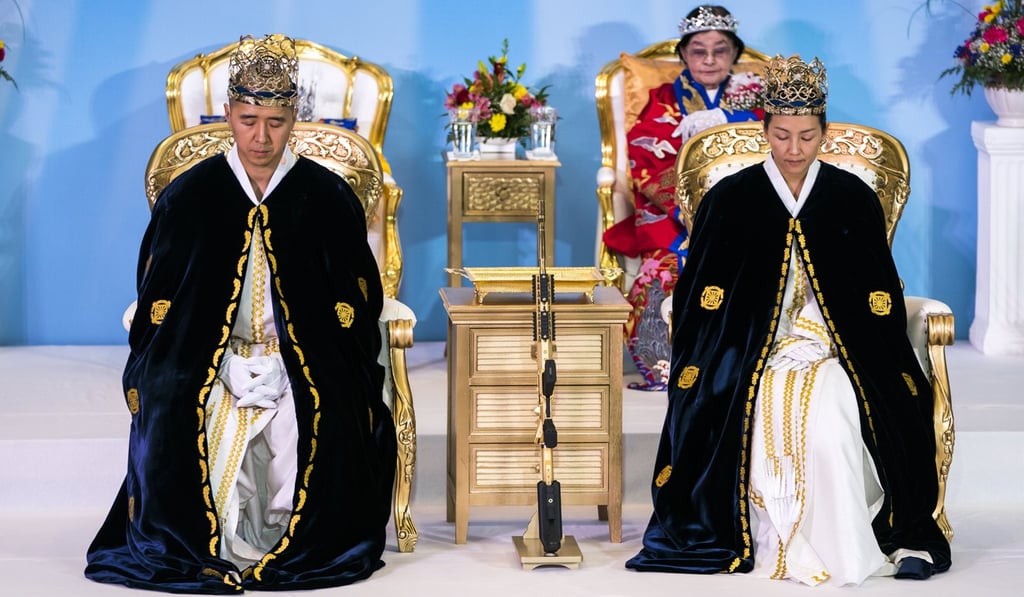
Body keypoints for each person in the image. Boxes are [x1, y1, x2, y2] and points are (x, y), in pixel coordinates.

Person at [85, 34, 396, 592]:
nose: (260, 137)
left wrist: (290, 365)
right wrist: (219, 362)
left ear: (294, 117)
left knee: (330, 406)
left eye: (275, 122)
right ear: (227, 113)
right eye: (248, 119)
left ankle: (291, 543)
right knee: (176, 403)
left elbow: (357, 296)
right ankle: (204, 545)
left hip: (299, 357)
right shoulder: (191, 194)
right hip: (212, 356)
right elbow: (160, 298)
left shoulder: (326, 196)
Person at [625, 55, 952, 585]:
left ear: (824, 132)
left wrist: (819, 336)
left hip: (833, 350)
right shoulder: (731, 198)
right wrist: (757, 339)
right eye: (781, 136)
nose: (794, 150)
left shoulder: (852, 198)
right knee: (728, 404)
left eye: (807, 136)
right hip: (748, 350)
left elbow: (877, 294)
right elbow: (704, 294)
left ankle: (883, 535)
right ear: (764, 132)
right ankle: (753, 535)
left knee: (834, 423)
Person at [603, 5, 765, 391]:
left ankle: (743, 367)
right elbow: (644, 159)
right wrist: (694, 209)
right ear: (683, 55)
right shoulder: (662, 99)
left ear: (734, 55)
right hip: (674, 221)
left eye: (720, 49)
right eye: (698, 50)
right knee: (661, 273)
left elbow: (779, 145)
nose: (709, 60)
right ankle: (671, 365)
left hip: (745, 215)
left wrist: (734, 121)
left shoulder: (753, 98)